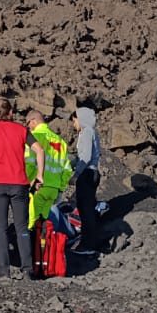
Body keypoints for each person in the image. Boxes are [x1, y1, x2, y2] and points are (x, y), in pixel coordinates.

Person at [0, 98, 44, 280]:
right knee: (22, 227)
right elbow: (39, 150)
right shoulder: (21, 129)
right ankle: (27, 269)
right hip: (19, 183)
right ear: (11, 112)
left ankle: (3, 270)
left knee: (1, 228)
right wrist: (40, 175)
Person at [24, 110, 71, 228]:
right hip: (53, 190)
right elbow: (67, 169)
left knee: (31, 223)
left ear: (33, 121)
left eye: (28, 124)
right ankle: (44, 245)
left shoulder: (34, 137)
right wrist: (60, 188)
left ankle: (30, 246)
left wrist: (25, 183)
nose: (28, 127)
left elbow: (29, 163)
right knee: (44, 223)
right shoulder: (61, 142)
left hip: (37, 187)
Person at [69, 106, 102, 255]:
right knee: (85, 209)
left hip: (87, 174)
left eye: (74, 121)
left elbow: (86, 157)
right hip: (89, 173)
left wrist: (76, 174)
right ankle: (87, 243)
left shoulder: (87, 132)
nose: (74, 125)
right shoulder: (89, 132)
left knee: (86, 211)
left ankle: (88, 245)